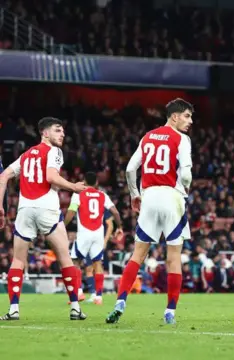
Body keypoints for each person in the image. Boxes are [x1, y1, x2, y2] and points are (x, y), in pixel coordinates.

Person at [105, 98, 193, 325]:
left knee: (138, 255)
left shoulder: (147, 137)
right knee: (173, 257)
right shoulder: (181, 139)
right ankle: (170, 312)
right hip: (172, 196)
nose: (189, 121)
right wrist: (186, 189)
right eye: (187, 116)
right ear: (174, 116)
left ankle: (120, 302)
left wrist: (135, 194)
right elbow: (185, 174)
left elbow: (130, 168)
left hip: (149, 197)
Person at [0, 117, 88, 321]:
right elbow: (51, 177)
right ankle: (75, 307)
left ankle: (14, 309)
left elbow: (3, 176)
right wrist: (73, 186)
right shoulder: (54, 151)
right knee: (64, 256)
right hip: (46, 208)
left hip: (24, 209)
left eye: (63, 131)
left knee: (18, 260)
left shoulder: (26, 155)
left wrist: (1, 208)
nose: (62, 134)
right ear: (45, 133)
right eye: (58, 130)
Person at [64, 171, 123, 305]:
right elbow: (115, 212)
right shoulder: (103, 195)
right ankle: (98, 296)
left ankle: (78, 292)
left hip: (84, 233)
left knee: (75, 262)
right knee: (98, 264)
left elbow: (71, 212)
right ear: (96, 183)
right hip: (98, 234)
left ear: (84, 181)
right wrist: (120, 226)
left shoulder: (78, 194)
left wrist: (63, 226)